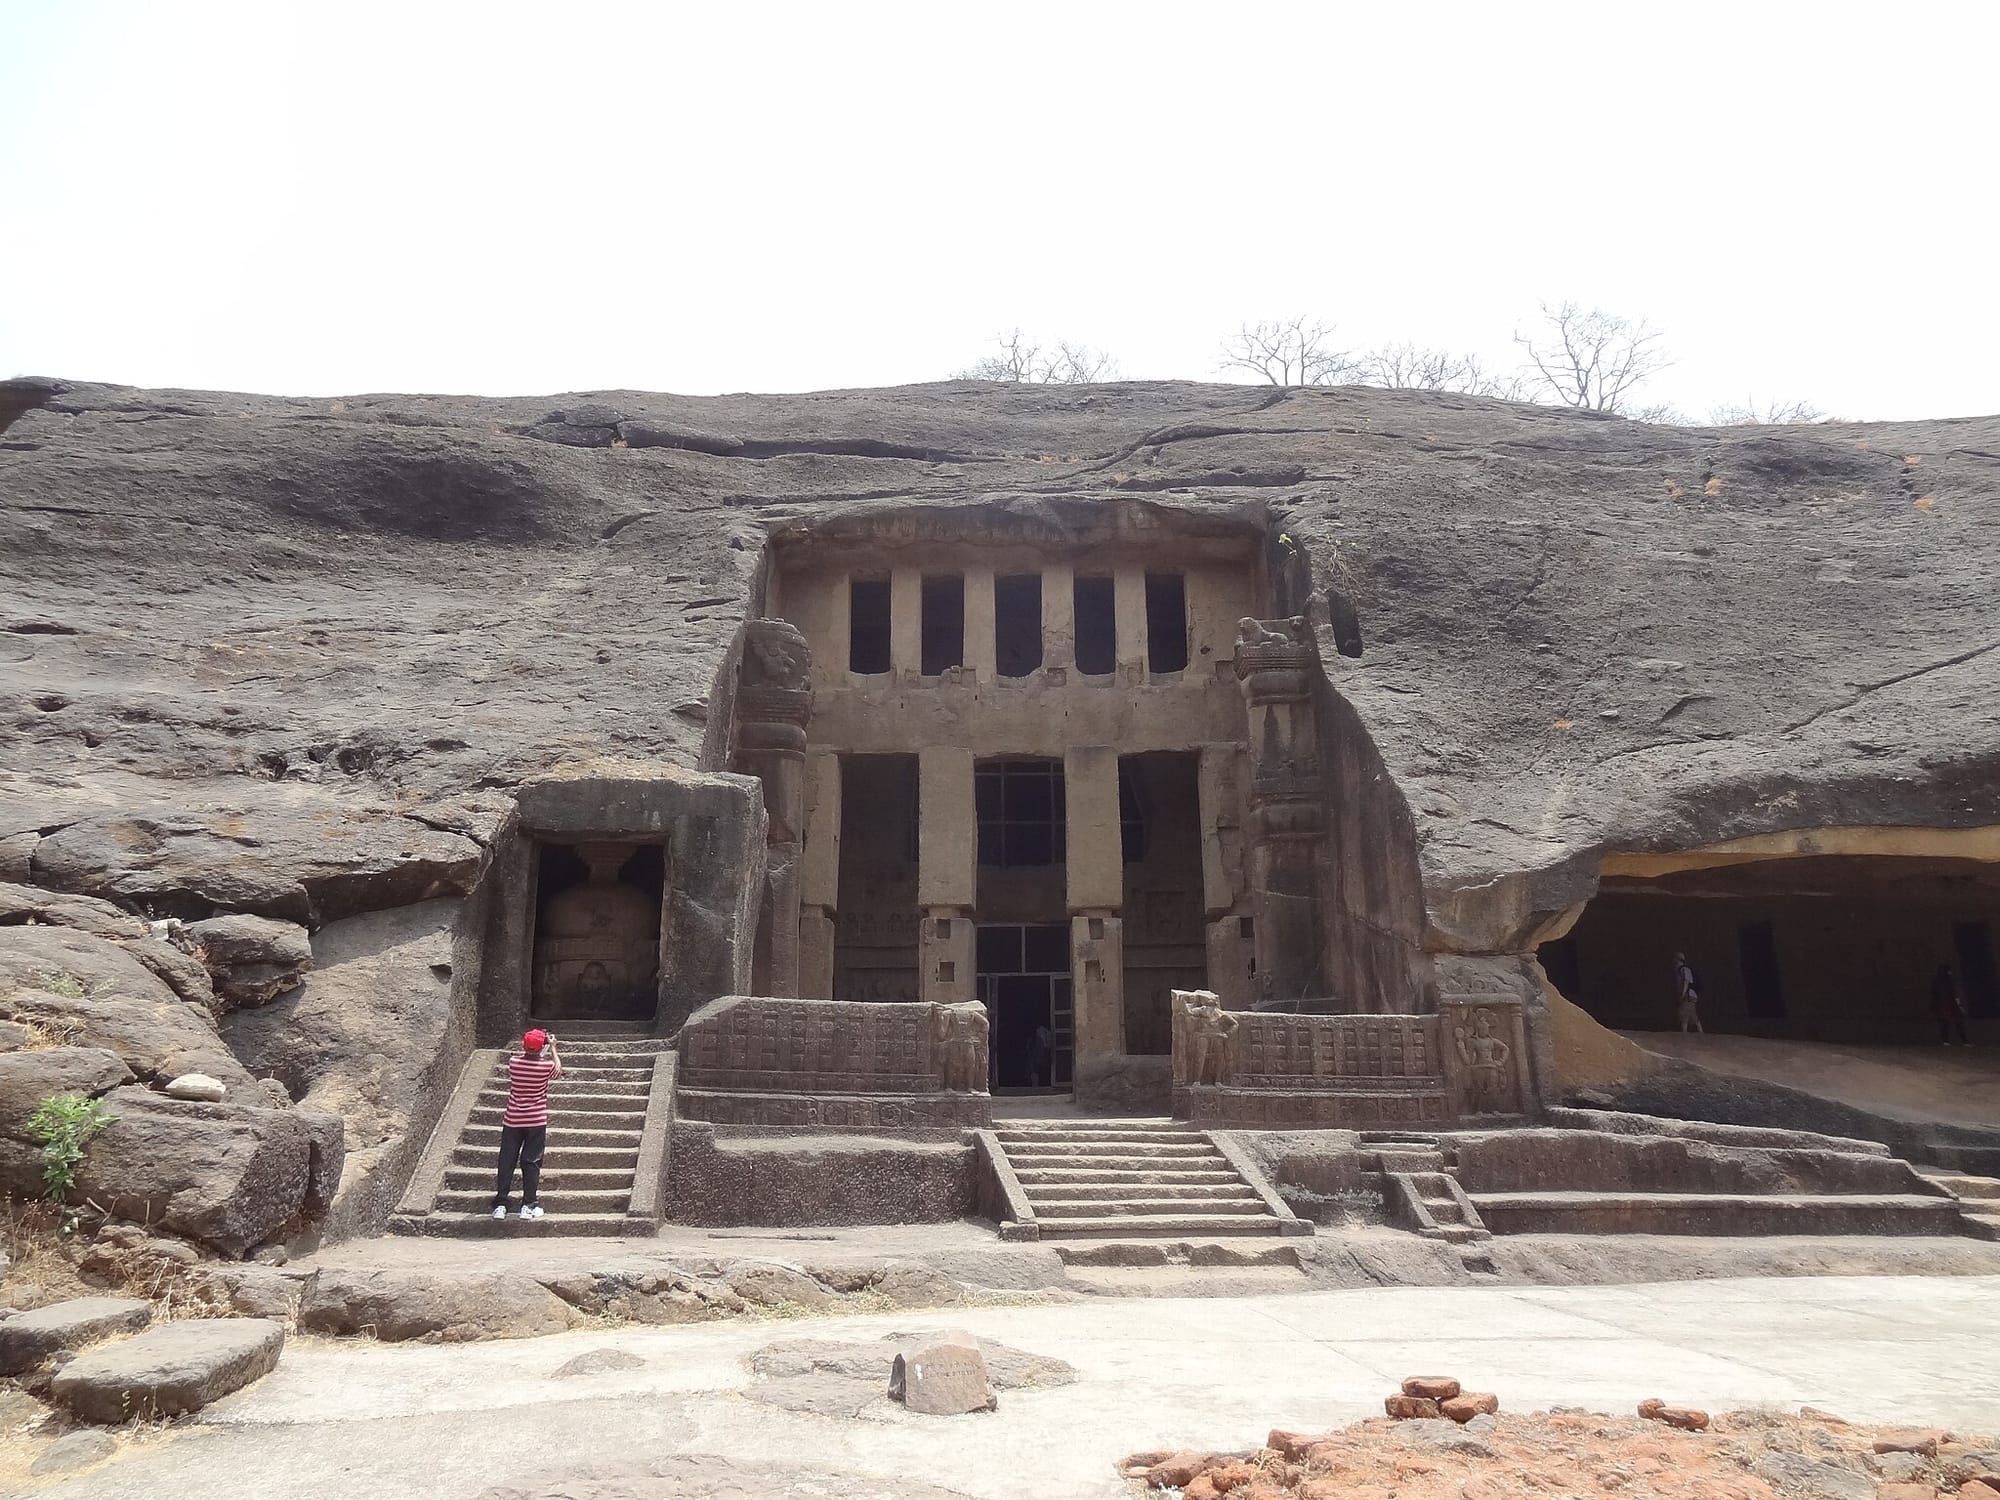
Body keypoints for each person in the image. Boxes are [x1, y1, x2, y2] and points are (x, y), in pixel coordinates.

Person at [493, 1027, 561, 1220]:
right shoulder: (546, 1066)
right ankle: (528, 1204)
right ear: (542, 1046)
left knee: (507, 1160)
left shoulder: (513, 1062)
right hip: (536, 1120)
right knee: (531, 1162)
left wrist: (539, 1047)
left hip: (513, 1119)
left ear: (524, 1045)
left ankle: (500, 1204)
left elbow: (529, 1056)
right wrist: (553, 1047)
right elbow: (557, 1070)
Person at [1932, 964, 1971, 1046]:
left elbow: (1934, 995)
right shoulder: (1949, 980)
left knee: (1946, 1023)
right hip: (1950, 1004)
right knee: (1957, 1022)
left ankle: (1946, 1041)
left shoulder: (1938, 981)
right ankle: (1964, 1041)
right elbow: (1956, 993)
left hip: (1944, 1004)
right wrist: (1960, 1005)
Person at [1673, 952, 1703, 1034]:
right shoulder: (1680, 970)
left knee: (1684, 1014)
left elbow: (1687, 981)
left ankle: (1685, 1033)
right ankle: (1700, 1033)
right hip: (1689, 995)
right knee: (1692, 1015)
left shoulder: (1684, 969)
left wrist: (1683, 994)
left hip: (1688, 995)